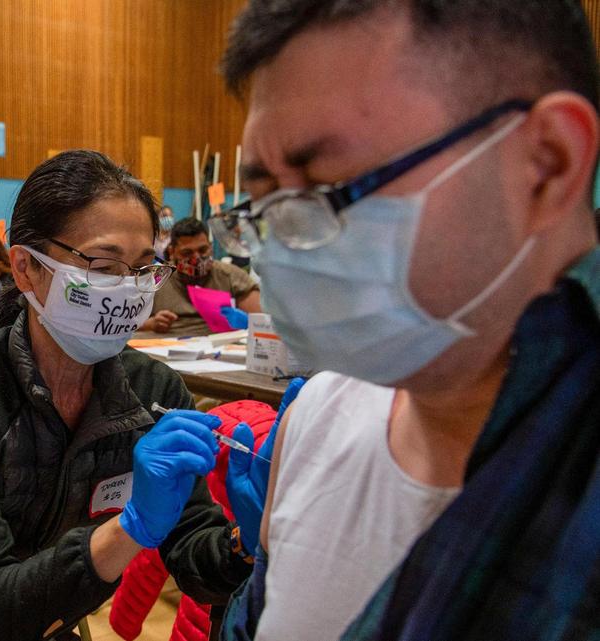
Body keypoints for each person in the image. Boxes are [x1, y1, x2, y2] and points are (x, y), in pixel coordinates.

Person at [213, 1, 600, 640]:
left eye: (330, 188)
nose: (285, 249)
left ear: (547, 163)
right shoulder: (317, 417)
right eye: (265, 207)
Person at [0, 151, 253, 641]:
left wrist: (248, 540)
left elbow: (194, 561)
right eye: (104, 265)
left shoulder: (154, 393)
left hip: (48, 619)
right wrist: (130, 528)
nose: (128, 290)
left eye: (143, 268)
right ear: (25, 268)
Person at [142, 217, 261, 335]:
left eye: (203, 250)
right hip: (166, 342)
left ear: (210, 247)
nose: (196, 258)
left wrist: (244, 321)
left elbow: (261, 322)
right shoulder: (156, 278)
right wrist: (151, 324)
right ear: (172, 252)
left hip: (218, 342)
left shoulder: (230, 275)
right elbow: (131, 322)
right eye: (187, 253)